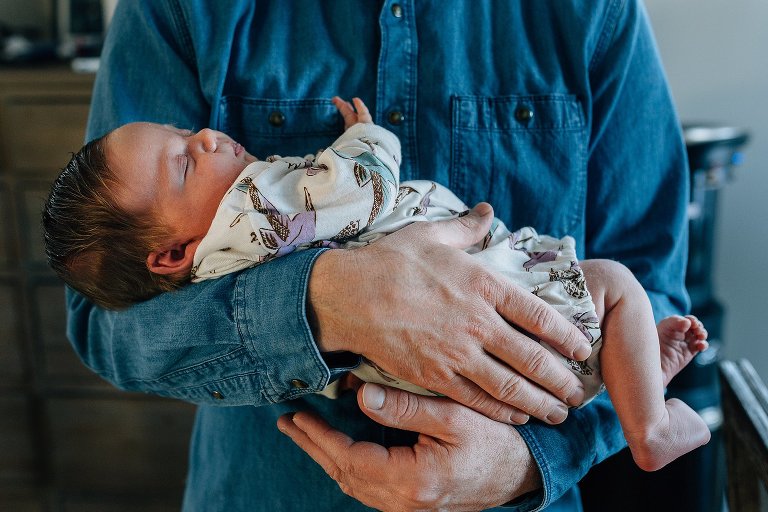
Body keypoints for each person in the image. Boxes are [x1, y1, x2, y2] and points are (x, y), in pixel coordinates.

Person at [69, 1, 693, 510]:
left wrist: (530, 460)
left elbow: (651, 282)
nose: (201, 143)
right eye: (184, 154)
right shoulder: (179, 11)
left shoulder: (596, 14)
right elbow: (108, 321)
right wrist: (327, 301)